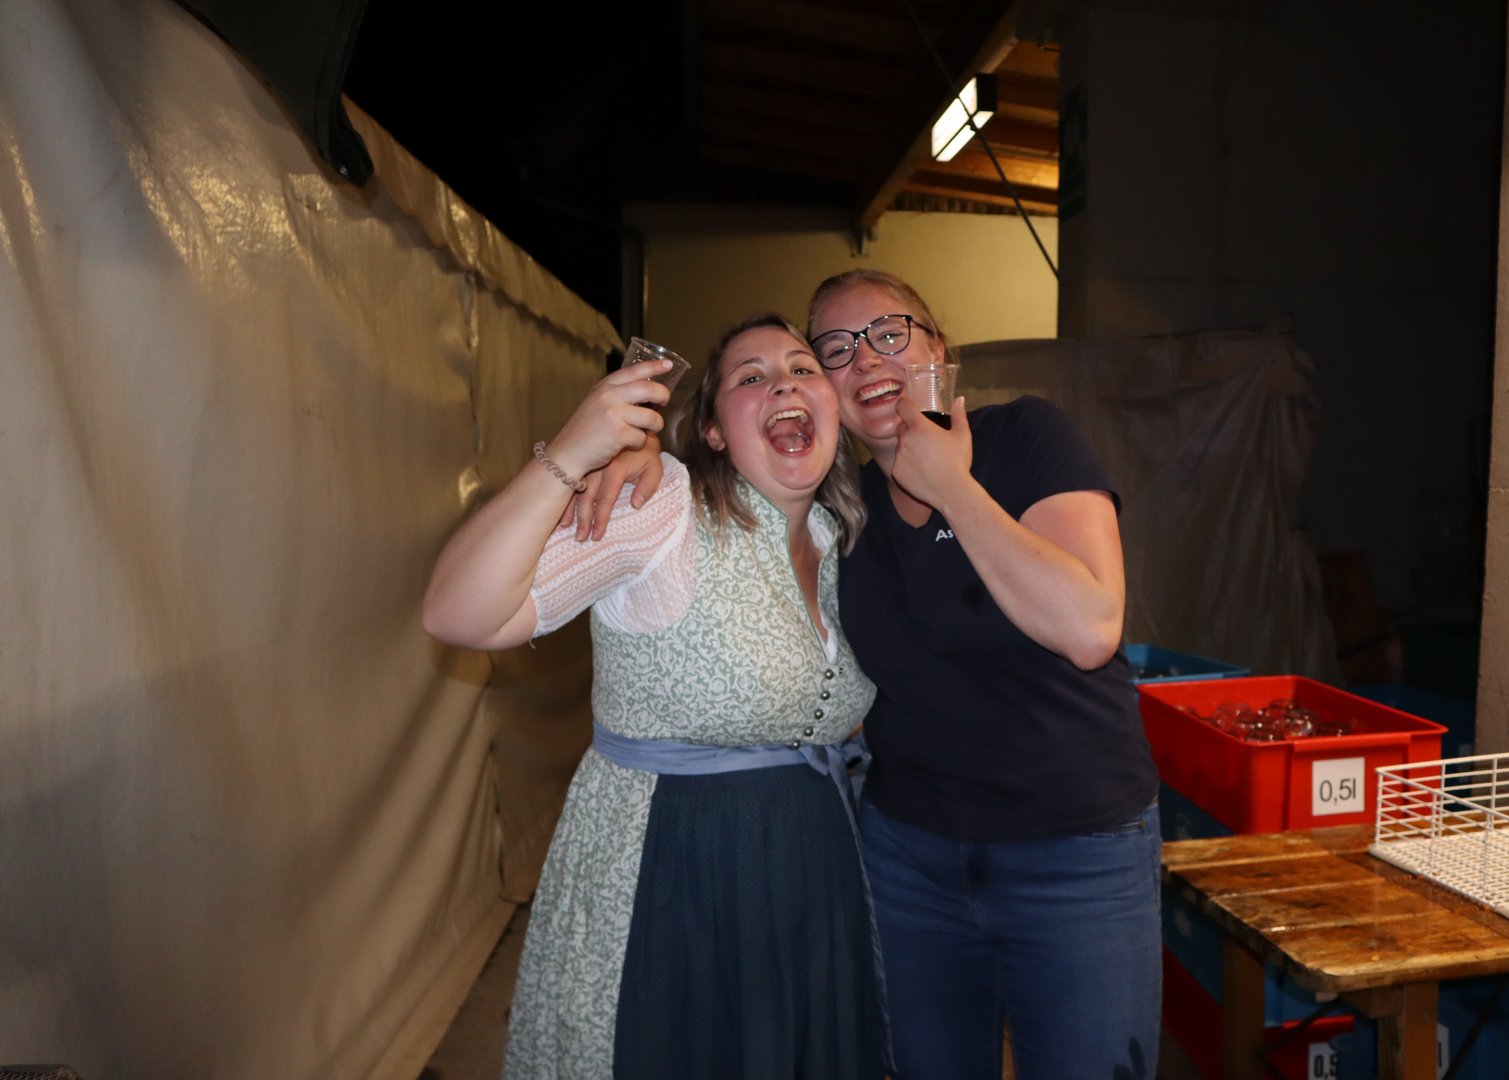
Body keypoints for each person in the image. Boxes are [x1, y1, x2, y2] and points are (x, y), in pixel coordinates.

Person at [421, 314, 885, 1080]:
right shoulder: (664, 505)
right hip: (674, 874)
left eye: (802, 368)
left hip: (809, 868)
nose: (783, 383)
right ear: (712, 432)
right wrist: (571, 454)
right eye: (752, 377)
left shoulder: (842, 539)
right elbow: (457, 614)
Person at [806, 270, 1162, 1080]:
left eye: (889, 333)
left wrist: (952, 489)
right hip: (911, 858)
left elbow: (1091, 628)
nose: (867, 358)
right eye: (837, 348)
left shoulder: (1026, 437)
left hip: (1076, 850)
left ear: (939, 351)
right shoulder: (841, 508)